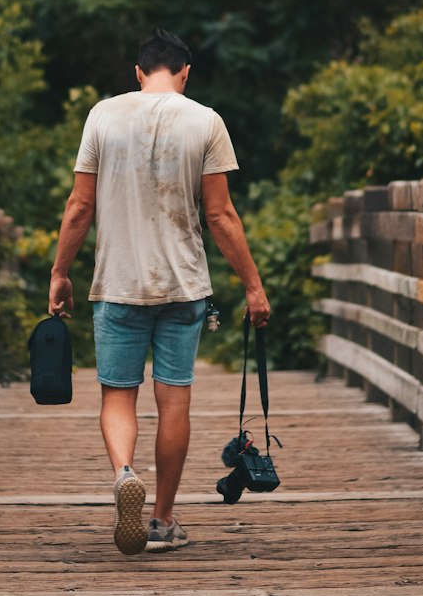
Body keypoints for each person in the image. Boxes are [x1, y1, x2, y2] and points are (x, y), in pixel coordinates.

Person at [48, 28, 271, 556]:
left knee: (117, 395)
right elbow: (219, 215)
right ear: (186, 73)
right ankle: (163, 520)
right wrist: (253, 287)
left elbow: (80, 206)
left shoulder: (102, 115)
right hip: (182, 285)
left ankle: (125, 472)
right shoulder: (206, 121)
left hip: (118, 283)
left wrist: (60, 272)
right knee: (174, 399)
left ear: (138, 71)